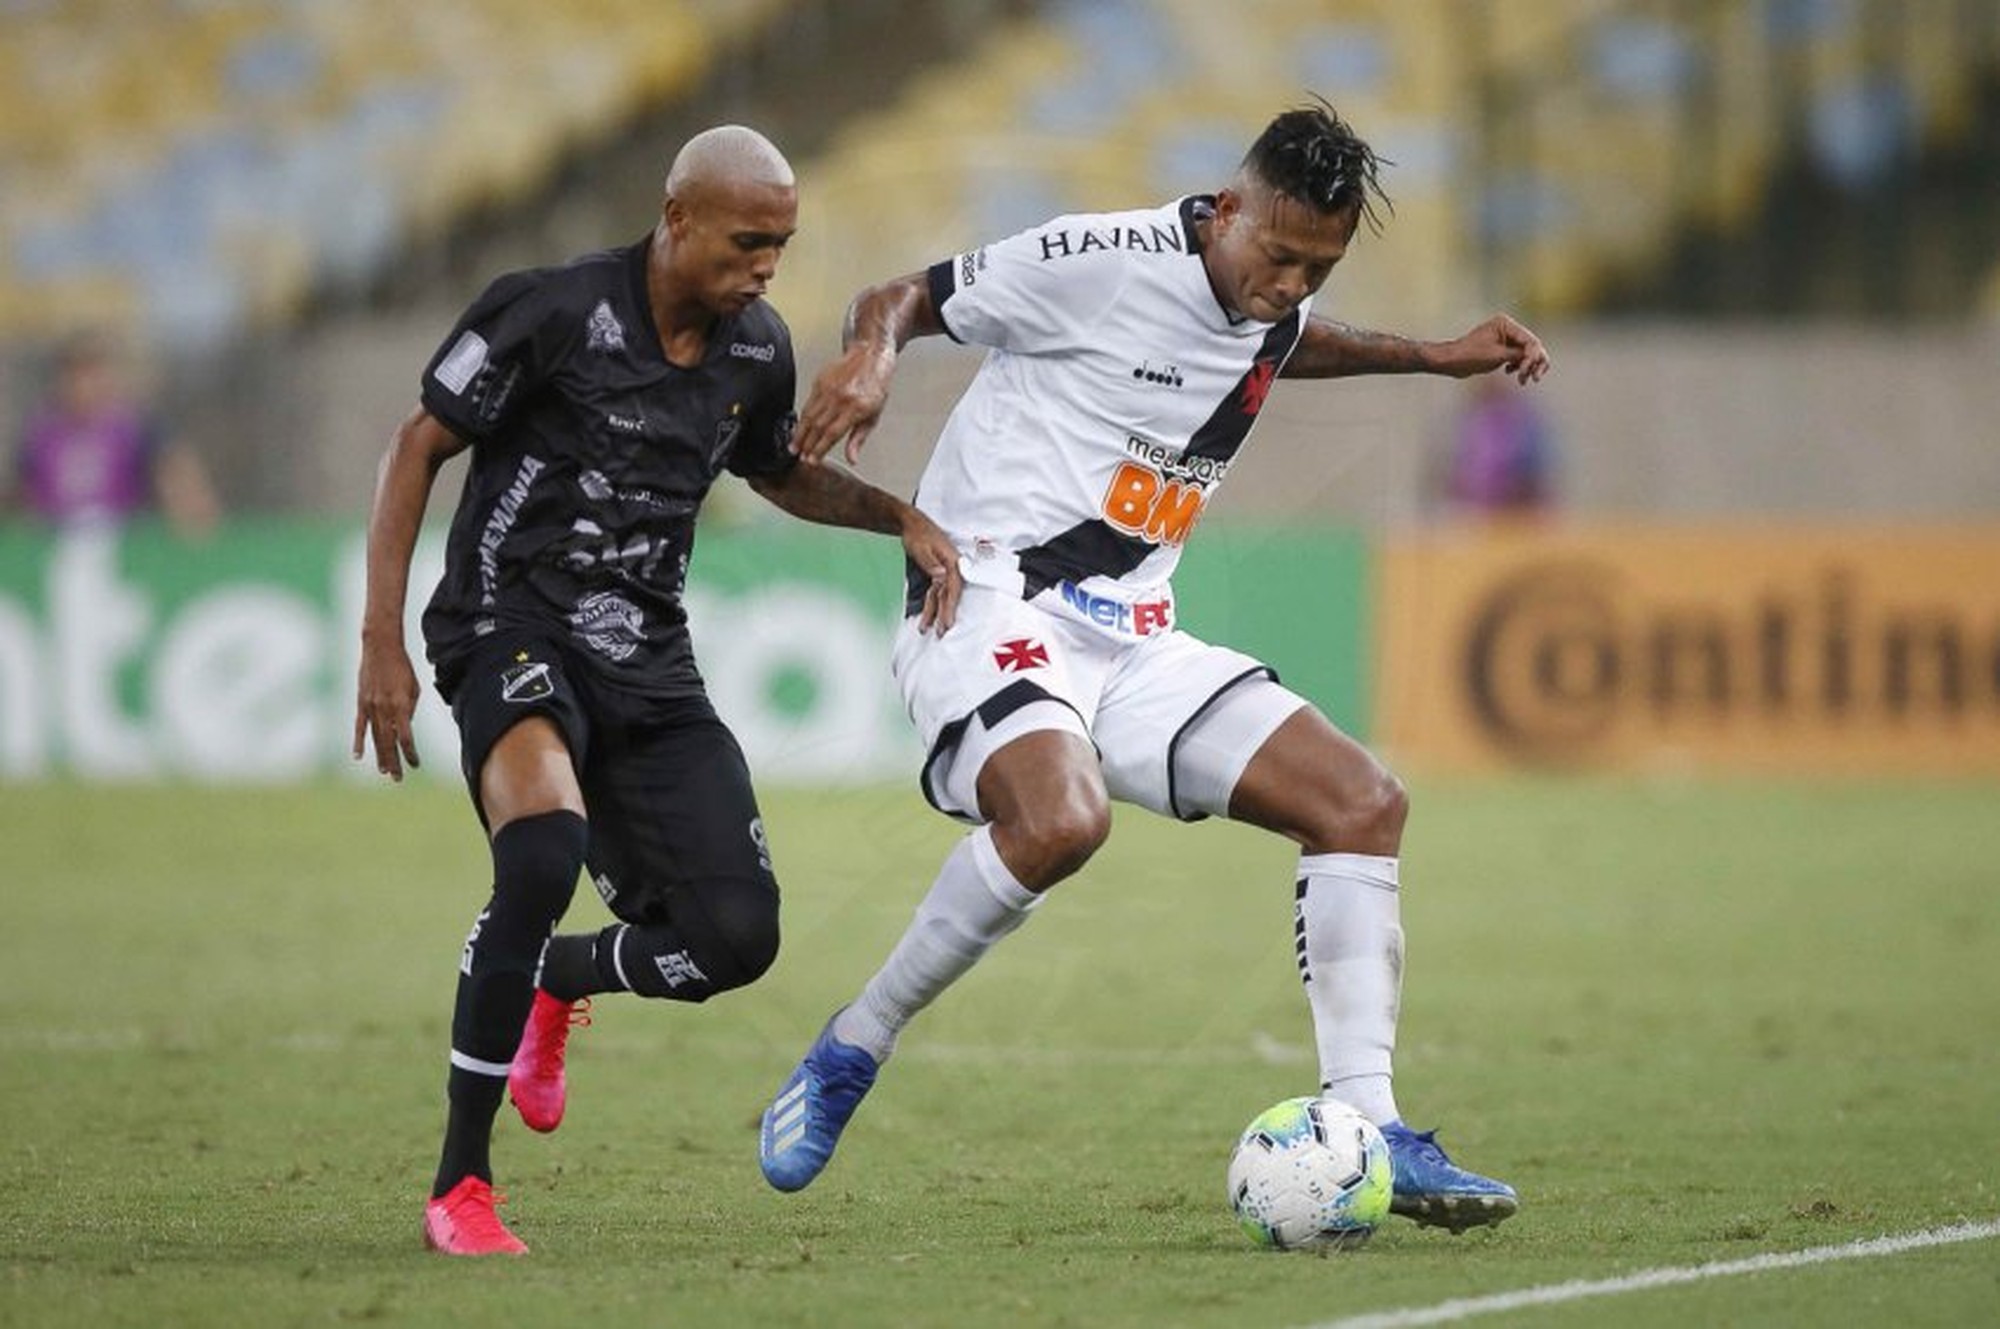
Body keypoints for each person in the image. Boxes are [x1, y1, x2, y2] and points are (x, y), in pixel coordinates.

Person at [756, 100, 1551, 1233]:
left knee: (1361, 803)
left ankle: (1373, 1125)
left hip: (1132, 634)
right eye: (1278, 256)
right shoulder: (1098, 260)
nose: (1289, 285)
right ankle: (854, 1043)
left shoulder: (1272, 296)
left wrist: (1431, 357)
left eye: (1316, 269)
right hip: (987, 596)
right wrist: (872, 359)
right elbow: (899, 298)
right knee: (1061, 820)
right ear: (1225, 209)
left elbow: (1282, 340)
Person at [351, 125, 963, 1258]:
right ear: (677, 219)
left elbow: (776, 472)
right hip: (507, 625)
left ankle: (558, 974)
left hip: (646, 657)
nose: (766, 267)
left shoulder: (755, 350)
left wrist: (902, 518)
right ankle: (461, 1186)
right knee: (542, 852)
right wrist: (379, 636)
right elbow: (415, 446)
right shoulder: (549, 310)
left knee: (735, 936)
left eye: (780, 245)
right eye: (747, 242)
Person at [8, 331, 220, 537]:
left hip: (124, 543)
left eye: (92, 373)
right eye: (74, 374)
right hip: (56, 543)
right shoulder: (40, 434)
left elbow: (183, 484)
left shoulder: (138, 428)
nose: (83, 385)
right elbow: (21, 501)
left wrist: (188, 511)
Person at [1443, 373, 1556, 517]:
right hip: (1477, 509)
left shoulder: (1524, 421)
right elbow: (1456, 470)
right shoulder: (1470, 422)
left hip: (1518, 510)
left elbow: (1535, 472)